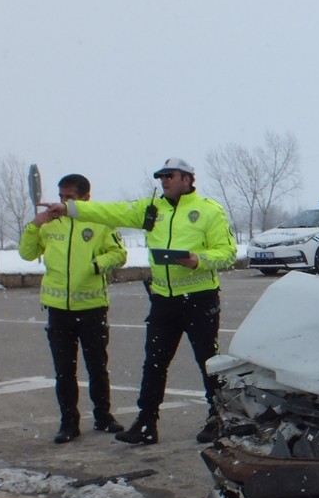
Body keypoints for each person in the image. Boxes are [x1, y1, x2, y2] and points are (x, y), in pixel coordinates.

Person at [44, 158, 236, 445]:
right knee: (154, 363)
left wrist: (198, 259)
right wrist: (70, 208)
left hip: (199, 299)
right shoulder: (151, 209)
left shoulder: (208, 210)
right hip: (163, 301)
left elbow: (228, 252)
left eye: (169, 176)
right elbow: (110, 211)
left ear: (187, 179)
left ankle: (219, 417)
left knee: (208, 361)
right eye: (161, 177)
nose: (164, 181)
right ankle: (146, 423)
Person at [18, 173, 128, 444]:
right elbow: (27, 253)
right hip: (58, 309)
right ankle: (69, 422)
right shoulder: (50, 223)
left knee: (97, 366)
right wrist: (34, 225)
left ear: (86, 198)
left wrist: (94, 265)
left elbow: (119, 255)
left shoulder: (100, 221)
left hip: (92, 307)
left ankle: (103, 416)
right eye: (61, 196)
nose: (63, 202)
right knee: (64, 370)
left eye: (70, 197)